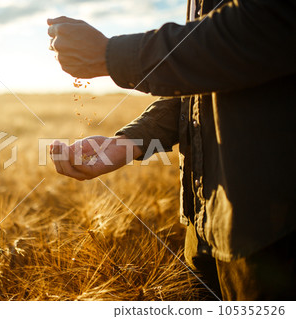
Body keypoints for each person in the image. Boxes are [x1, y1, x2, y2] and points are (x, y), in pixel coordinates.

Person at [47, 0, 296, 301]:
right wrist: (129, 142)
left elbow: (263, 26)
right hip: (201, 224)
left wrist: (112, 55)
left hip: (269, 232)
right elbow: (202, 87)